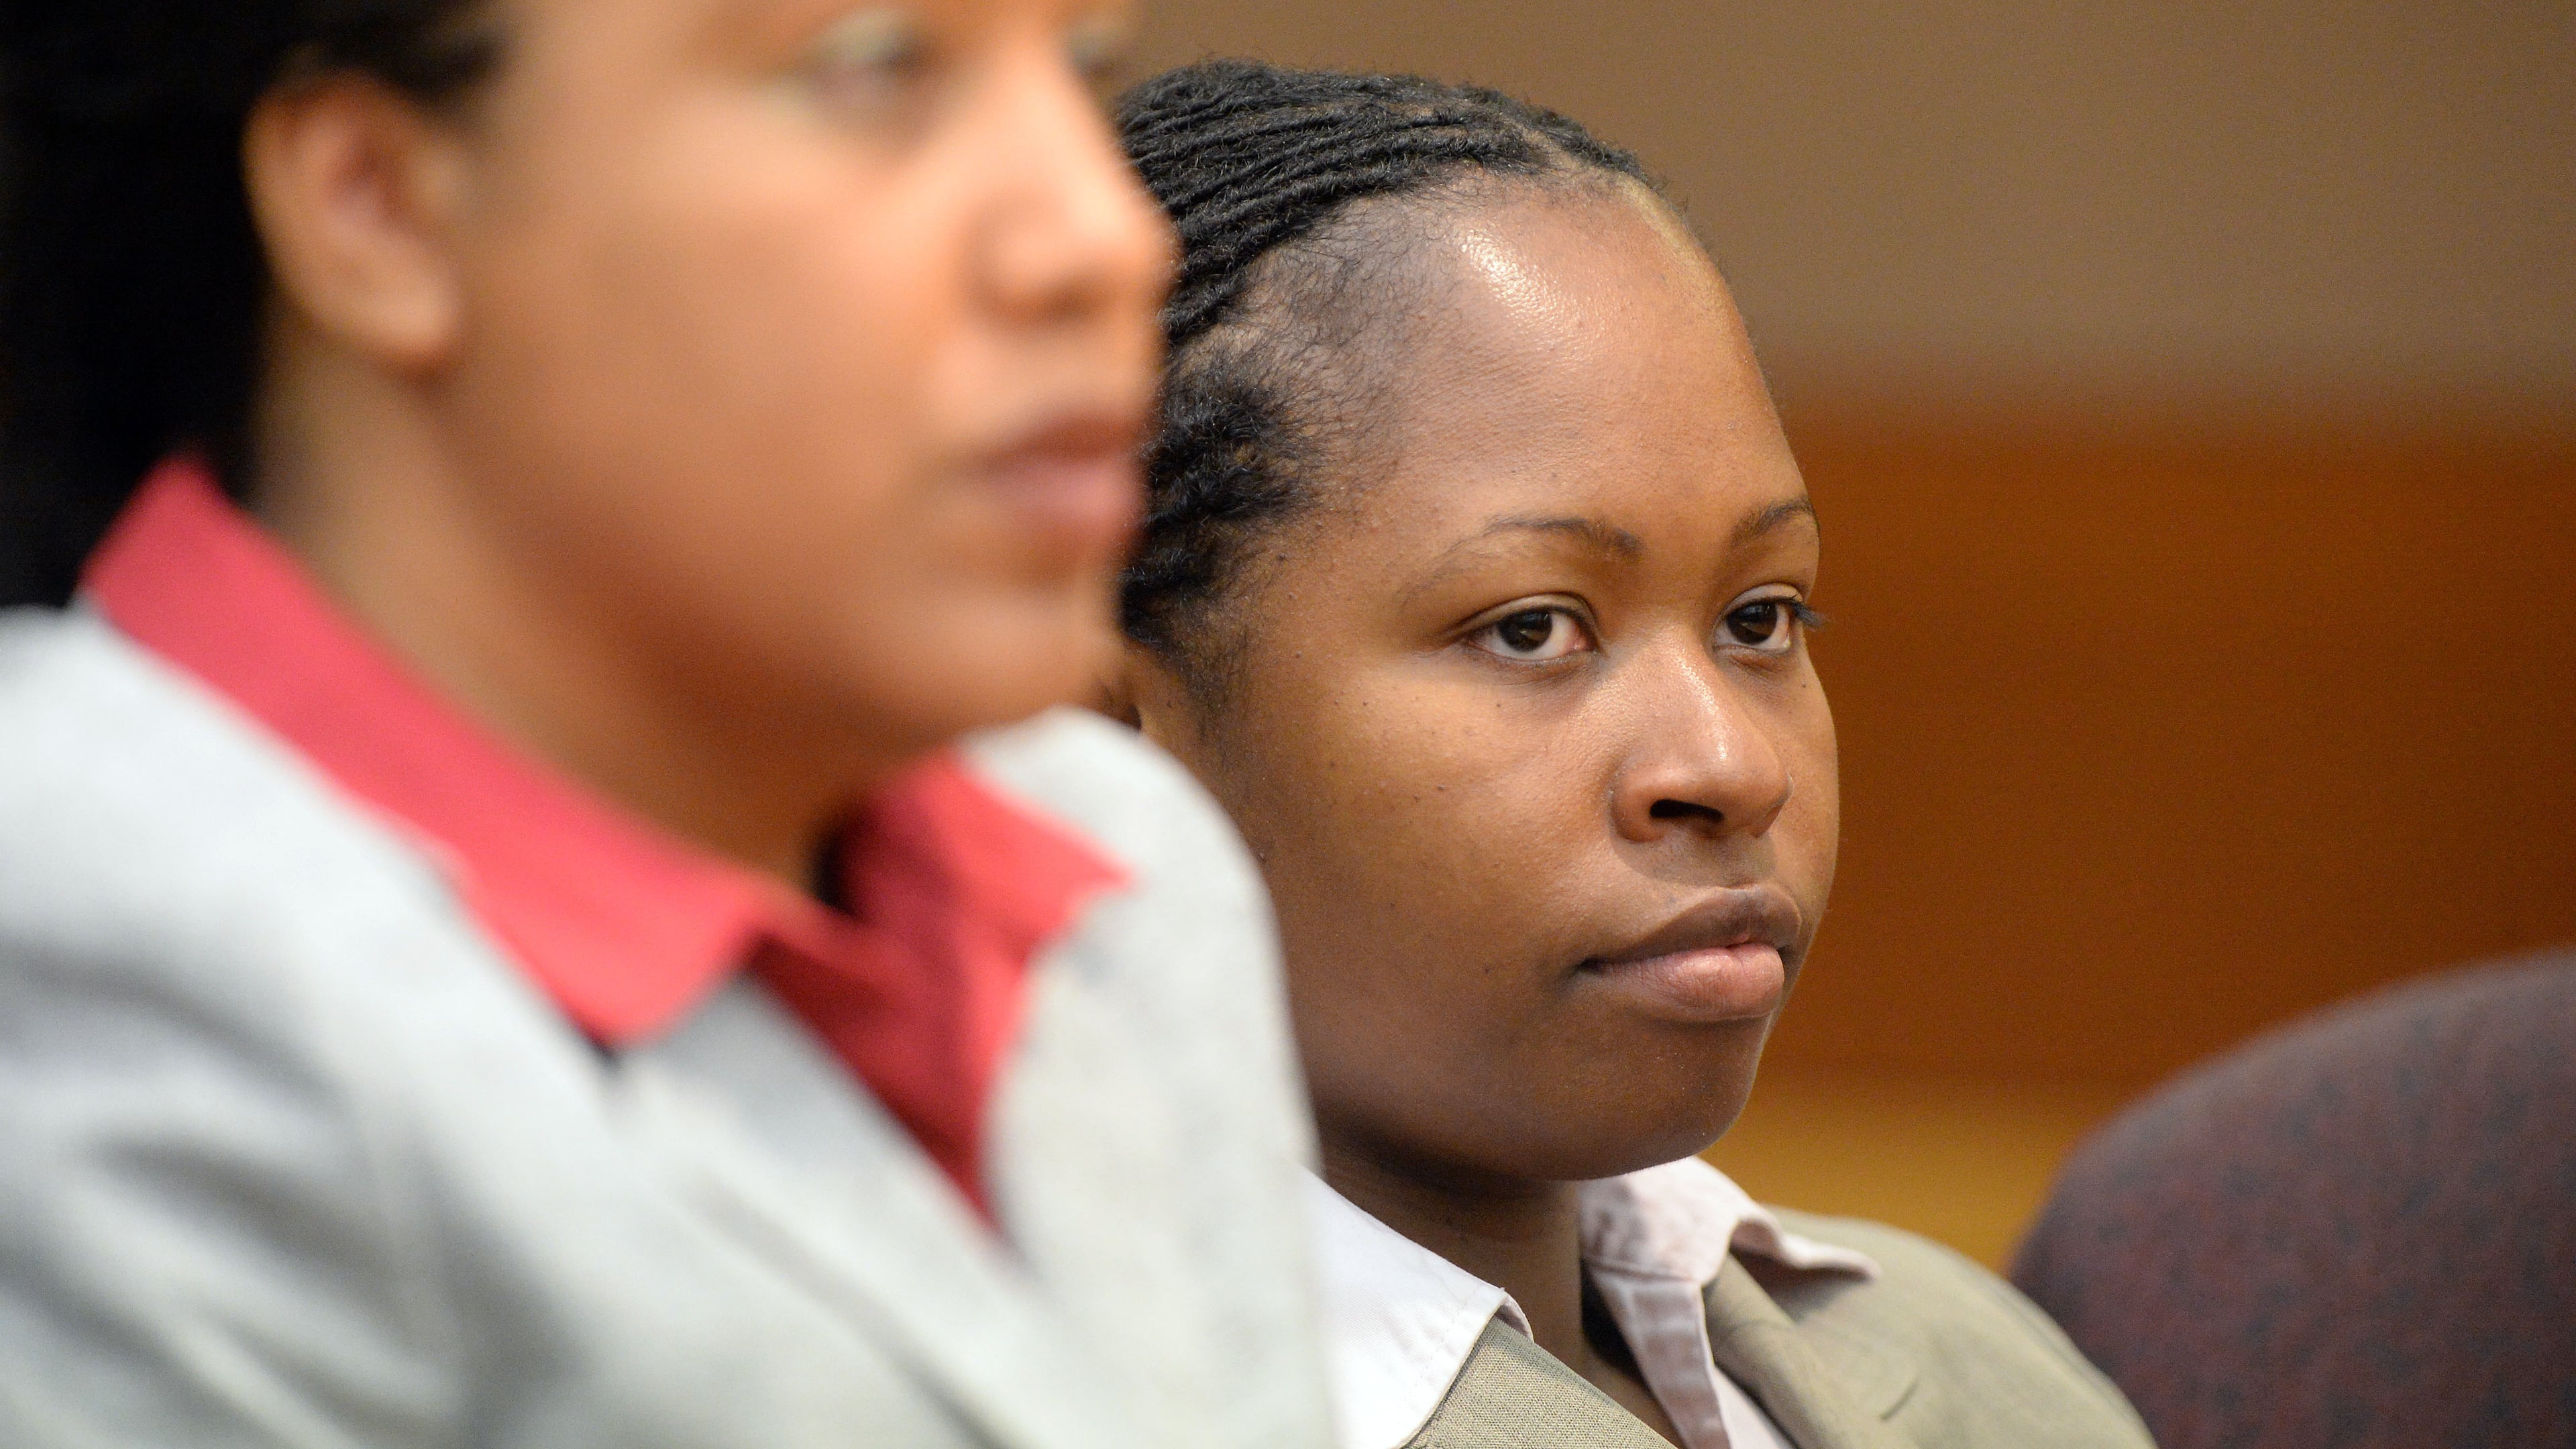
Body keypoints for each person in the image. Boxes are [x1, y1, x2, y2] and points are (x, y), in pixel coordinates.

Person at [0, 7, 1332, 1448]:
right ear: (377, 205)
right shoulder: (92, 961)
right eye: (873, 70)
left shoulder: (1112, 859)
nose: (1104, 237)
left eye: (1078, 71)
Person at [1109, 61, 2155, 1449]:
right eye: (1532, 629)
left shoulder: (1969, 1361)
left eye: (1760, 617)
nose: (1730, 765)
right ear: (1115, 742)